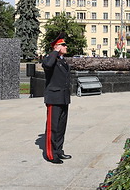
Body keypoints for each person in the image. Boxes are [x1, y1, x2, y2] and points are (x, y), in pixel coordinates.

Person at [42, 33, 72, 164]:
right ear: (57, 46)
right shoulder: (49, 58)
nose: (66, 47)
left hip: (63, 98)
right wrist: (54, 51)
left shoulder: (62, 60)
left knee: (61, 127)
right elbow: (48, 65)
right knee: (52, 127)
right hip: (54, 98)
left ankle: (59, 150)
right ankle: (51, 154)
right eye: (63, 45)